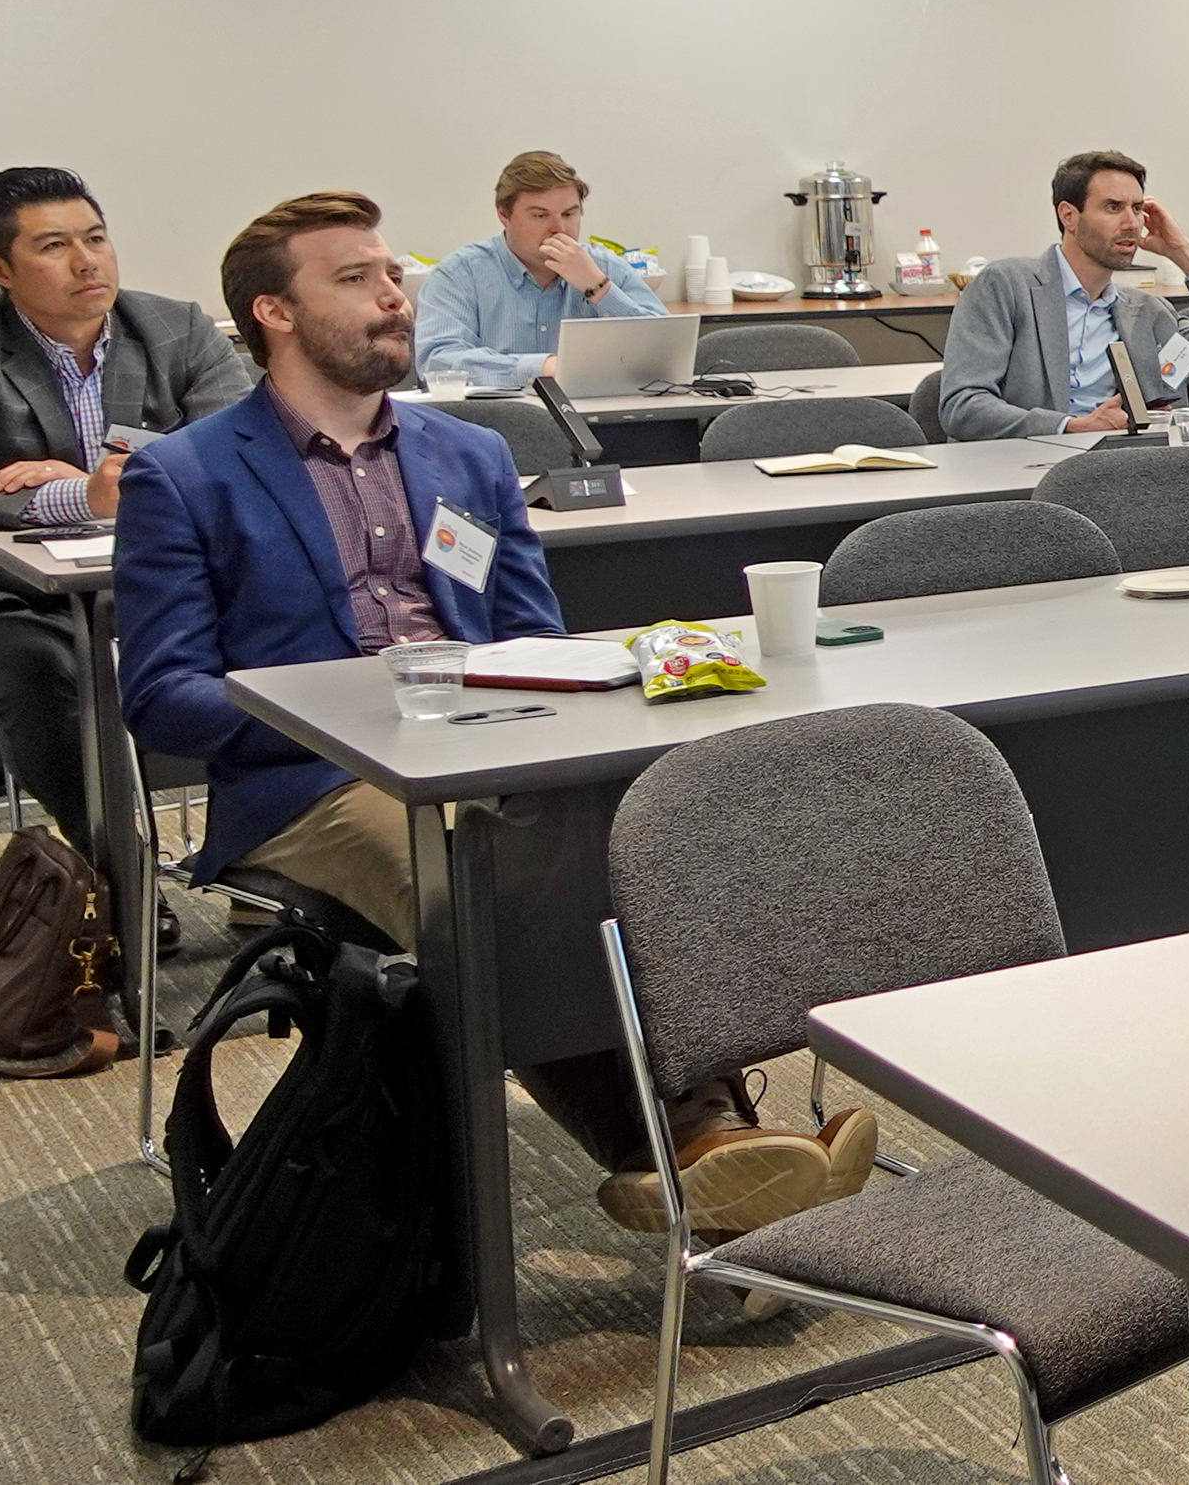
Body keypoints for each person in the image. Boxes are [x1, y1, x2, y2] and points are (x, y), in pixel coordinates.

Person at [119, 192, 864, 1238]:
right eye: (354, 280)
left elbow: (533, 638)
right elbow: (161, 697)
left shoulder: (464, 456)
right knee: (498, 883)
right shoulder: (185, 475)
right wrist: (353, 712)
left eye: (392, 277)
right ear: (272, 313)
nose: (392, 297)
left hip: (501, 750)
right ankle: (696, 1144)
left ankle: (722, 1152)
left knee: (658, 846)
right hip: (319, 785)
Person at [0, 166, 253, 929]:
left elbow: (242, 452)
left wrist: (112, 479)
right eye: (55, 246)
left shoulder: (175, 327)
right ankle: (124, 882)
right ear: (1, 270)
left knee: (288, 646)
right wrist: (80, 495)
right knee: (47, 675)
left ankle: (260, 865)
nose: (87, 262)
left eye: (97, 238)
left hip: (167, 585)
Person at [936, 150, 1189, 441]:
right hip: (1024, 472)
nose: (1132, 223)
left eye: (1137, 208)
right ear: (1069, 216)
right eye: (1112, 207)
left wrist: (1186, 256)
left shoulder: (1146, 312)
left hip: (1120, 470)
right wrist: (1070, 426)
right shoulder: (1005, 286)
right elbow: (963, 407)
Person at [410, 150, 668, 389]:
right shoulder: (460, 273)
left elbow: (668, 351)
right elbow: (438, 361)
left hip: (595, 420)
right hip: (495, 421)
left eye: (569, 214)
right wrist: (542, 368)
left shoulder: (604, 267)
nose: (559, 229)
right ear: (503, 214)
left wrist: (600, 289)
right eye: (540, 216)